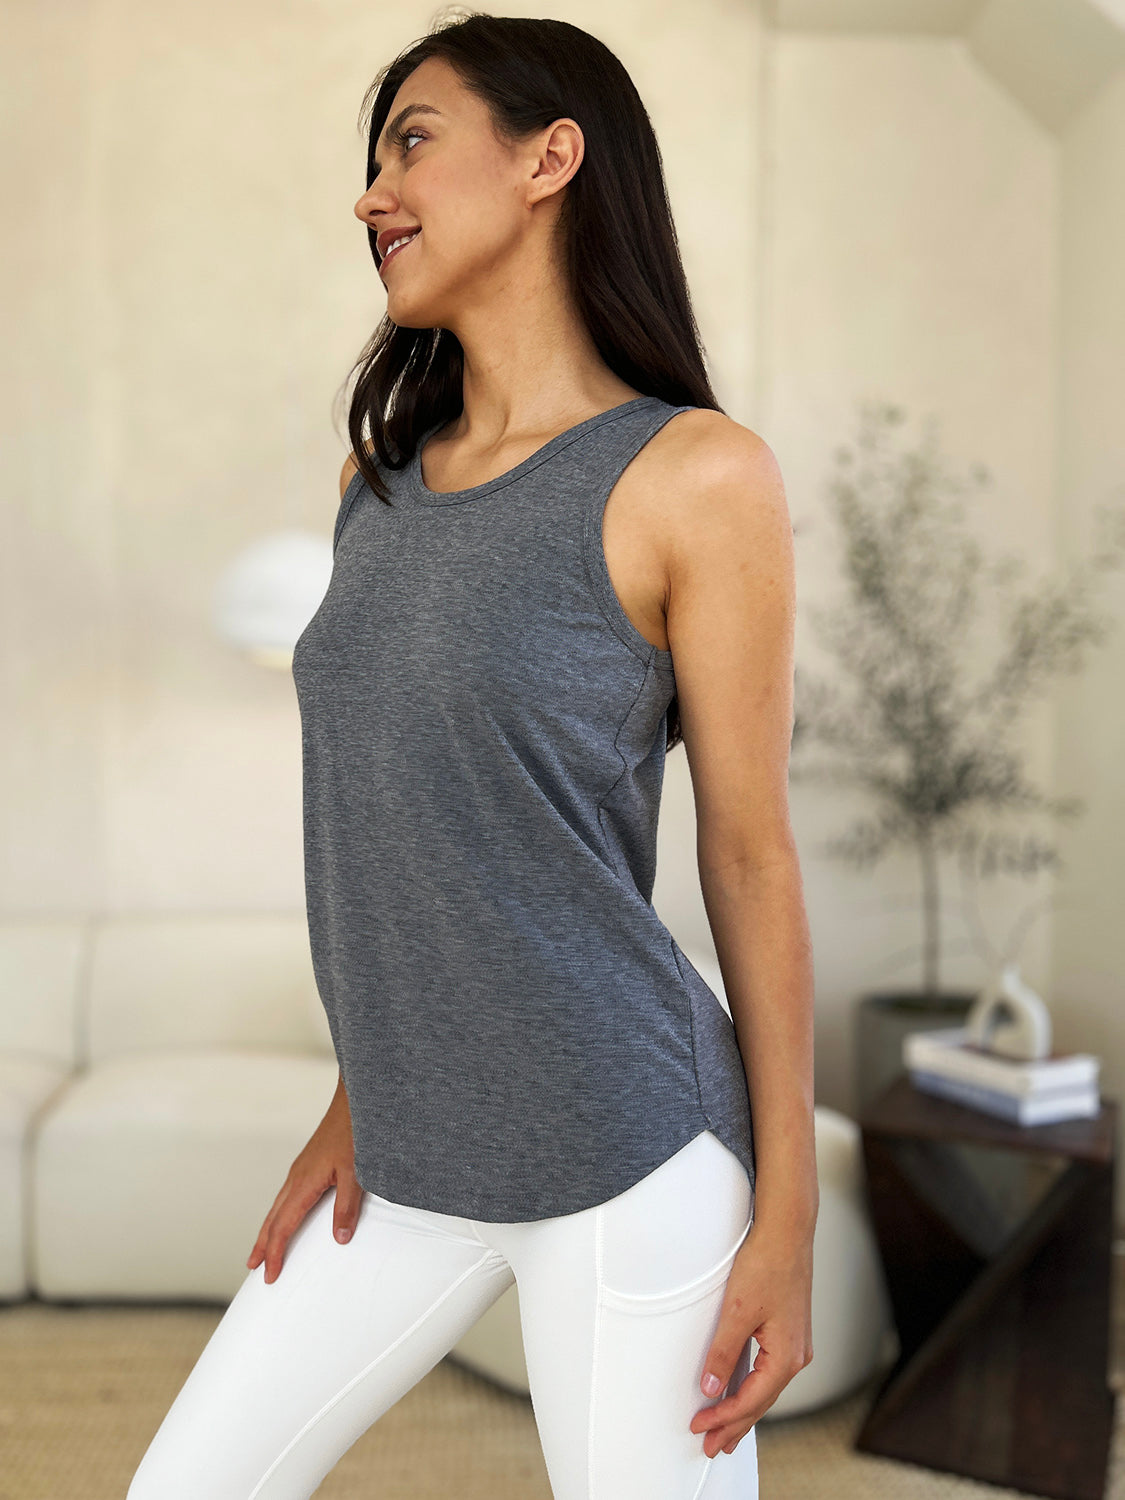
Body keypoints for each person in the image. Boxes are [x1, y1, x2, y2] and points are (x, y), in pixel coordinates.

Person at [126, 13, 817, 1499]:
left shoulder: (696, 476)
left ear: (548, 159)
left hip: (628, 1153)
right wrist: (355, 1099)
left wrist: (787, 1219)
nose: (371, 194)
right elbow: (407, 831)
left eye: (412, 142)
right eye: (372, 160)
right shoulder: (371, 488)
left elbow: (747, 852)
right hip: (412, 1147)